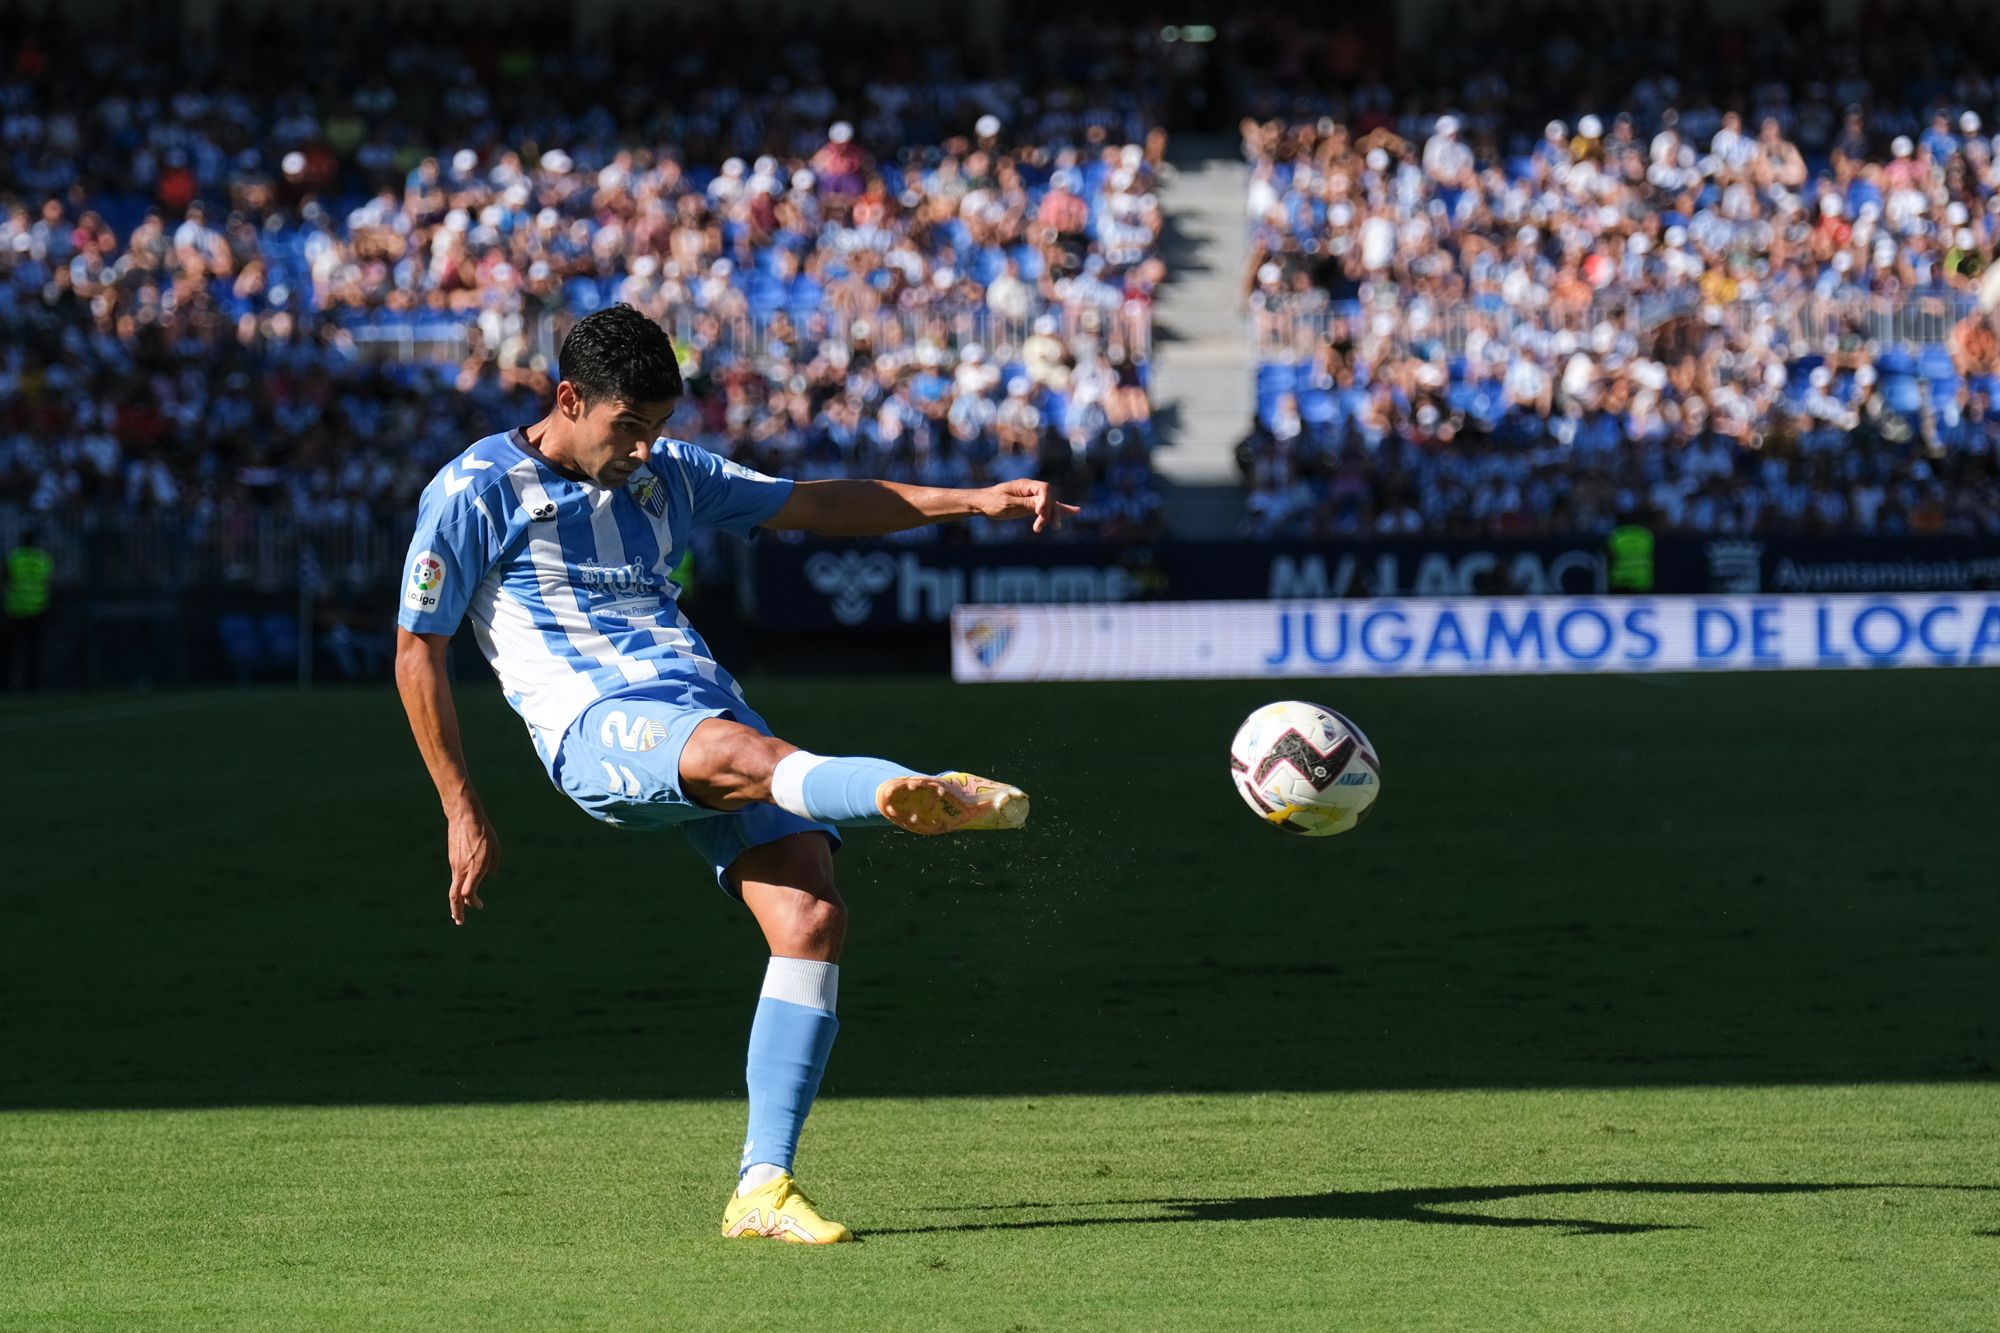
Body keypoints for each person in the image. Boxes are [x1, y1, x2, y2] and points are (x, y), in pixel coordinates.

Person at [393, 305, 1077, 1245]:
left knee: (811, 917)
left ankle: (763, 1187)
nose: (644, 450)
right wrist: (460, 807)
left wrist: (972, 500)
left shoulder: (670, 474)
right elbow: (416, 650)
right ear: (568, 399)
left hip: (704, 705)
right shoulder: (475, 488)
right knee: (746, 758)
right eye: (628, 428)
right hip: (597, 727)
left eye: (658, 429)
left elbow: (819, 502)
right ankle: (894, 790)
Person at [2, 528, 53, 691]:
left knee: (9, 651)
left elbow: (6, 580)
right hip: (38, 608)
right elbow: (50, 583)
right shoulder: (43, 559)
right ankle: (32, 686)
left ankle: (5, 685)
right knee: (34, 651)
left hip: (14, 609)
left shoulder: (14, 557)